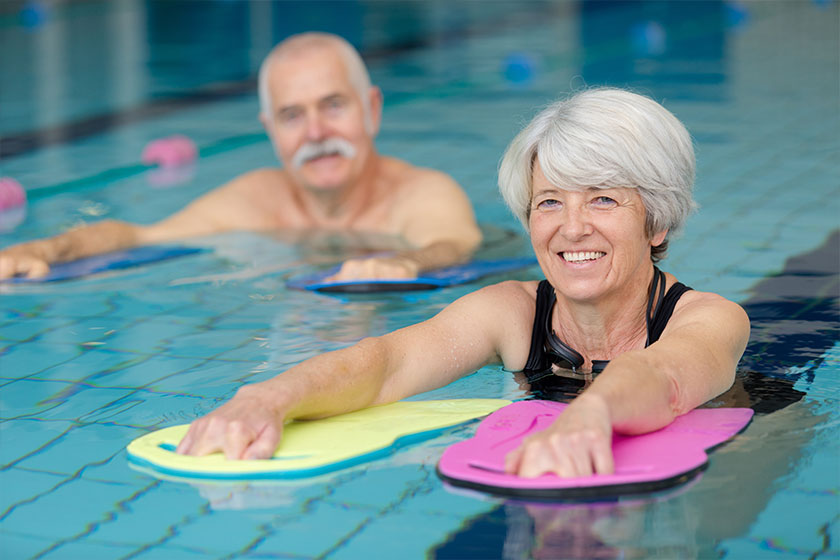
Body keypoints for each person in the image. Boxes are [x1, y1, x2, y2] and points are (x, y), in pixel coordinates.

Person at [176, 88, 750, 478]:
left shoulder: (709, 319)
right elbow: (385, 363)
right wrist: (264, 399)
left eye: (602, 198)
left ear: (657, 221)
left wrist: (590, 415)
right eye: (549, 201)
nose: (571, 227)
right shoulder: (511, 313)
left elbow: (663, 377)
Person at [0, 33, 481, 282]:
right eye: (292, 115)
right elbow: (137, 235)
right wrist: (44, 250)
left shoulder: (422, 193)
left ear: (372, 109)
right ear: (270, 131)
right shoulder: (257, 199)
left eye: (333, 106)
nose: (316, 132)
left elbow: (452, 244)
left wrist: (405, 262)